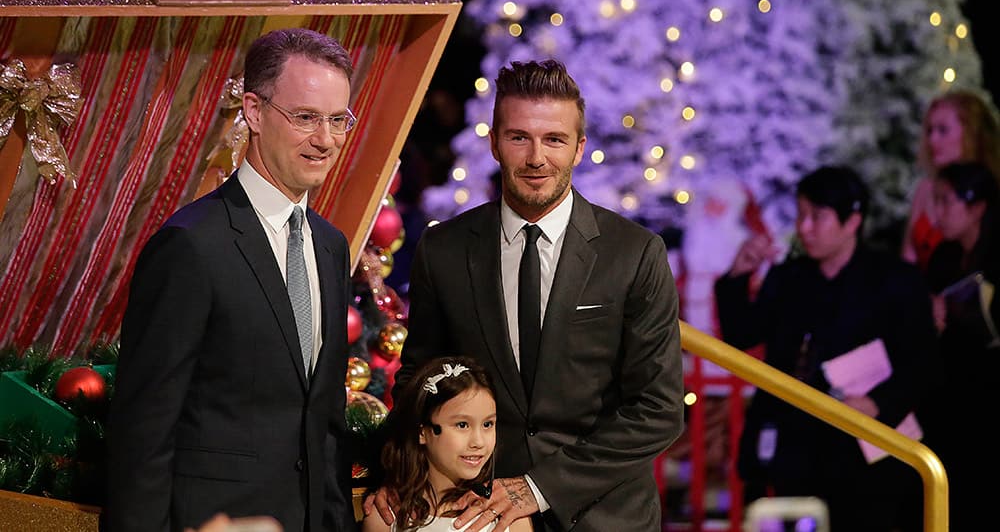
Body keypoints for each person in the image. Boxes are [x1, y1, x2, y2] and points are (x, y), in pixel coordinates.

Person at [367, 58, 684, 532]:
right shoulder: (445, 249)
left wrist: (538, 488)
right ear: (494, 143)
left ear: (579, 149)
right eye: (520, 138)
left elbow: (658, 409)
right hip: (478, 516)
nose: (537, 157)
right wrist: (402, 476)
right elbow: (420, 381)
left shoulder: (635, 253)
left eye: (554, 139)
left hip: (607, 518)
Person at [105, 28, 358, 532]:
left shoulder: (331, 246)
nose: (325, 140)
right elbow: (143, 433)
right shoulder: (191, 246)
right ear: (255, 112)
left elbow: (324, 422)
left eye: (337, 120)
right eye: (305, 117)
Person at [715, 165, 940, 532]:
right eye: (801, 215)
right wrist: (738, 277)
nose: (804, 227)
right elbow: (741, 335)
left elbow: (923, 361)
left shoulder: (894, 280)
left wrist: (878, 403)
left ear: (853, 221)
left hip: (866, 447)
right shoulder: (790, 277)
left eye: (817, 217)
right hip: (796, 444)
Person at [361, 356, 532, 532]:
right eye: (462, 425)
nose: (478, 442)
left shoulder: (510, 520)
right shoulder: (385, 518)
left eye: (487, 424)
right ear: (422, 432)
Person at [920, 161, 1000, 531]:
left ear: (977, 206)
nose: (938, 212)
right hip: (952, 394)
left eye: (946, 202)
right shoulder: (944, 257)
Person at [901, 90, 1000, 270]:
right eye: (930, 131)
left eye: (943, 130)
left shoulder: (992, 191)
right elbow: (908, 259)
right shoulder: (925, 189)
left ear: (972, 132)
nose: (932, 140)